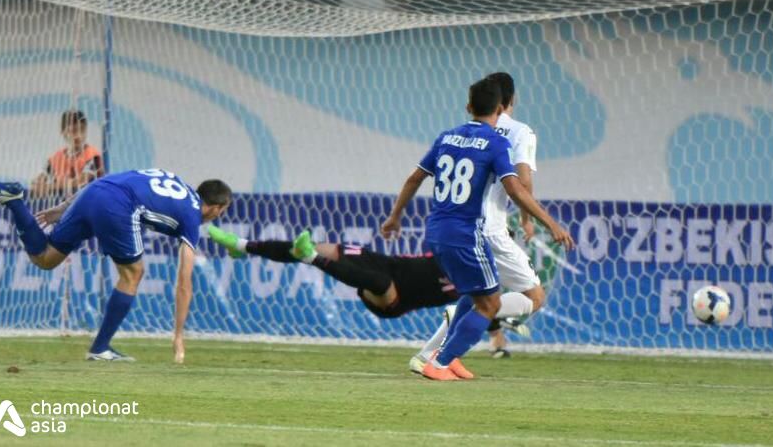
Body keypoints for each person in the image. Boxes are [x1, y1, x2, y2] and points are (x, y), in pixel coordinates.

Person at [381, 78, 574, 381]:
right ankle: (442, 358)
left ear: (468, 106)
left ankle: (441, 351)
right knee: (521, 299)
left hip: (437, 230)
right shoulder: (508, 137)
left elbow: (414, 178)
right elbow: (519, 187)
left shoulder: (447, 137)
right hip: (478, 230)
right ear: (503, 106)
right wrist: (546, 222)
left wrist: (394, 218)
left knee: (481, 295)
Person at [0, 169, 232, 363]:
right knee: (133, 273)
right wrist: (178, 336)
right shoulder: (191, 216)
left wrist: (65, 206)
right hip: (118, 205)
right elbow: (184, 283)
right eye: (223, 211)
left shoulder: (174, 181)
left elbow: (114, 179)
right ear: (218, 208)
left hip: (93, 192)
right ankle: (100, 348)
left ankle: (15, 201)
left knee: (45, 258)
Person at [411, 72, 543, 369]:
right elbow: (522, 181)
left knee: (480, 293)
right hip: (490, 228)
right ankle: (459, 321)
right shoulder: (522, 132)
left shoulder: (465, 132)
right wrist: (528, 219)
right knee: (533, 297)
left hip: (460, 224)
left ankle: (426, 356)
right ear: (510, 101)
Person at [207, 227, 459, 318]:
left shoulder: (472, 283)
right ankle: (240, 245)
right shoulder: (460, 249)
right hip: (386, 263)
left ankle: (312, 259)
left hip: (395, 300)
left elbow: (484, 303)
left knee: (379, 282)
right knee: (319, 247)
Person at [30, 110, 104, 200]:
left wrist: (49, 187)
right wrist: (37, 185)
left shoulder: (93, 156)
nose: (79, 135)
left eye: (82, 130)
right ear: (63, 132)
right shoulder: (55, 159)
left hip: (88, 203)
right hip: (60, 204)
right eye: (74, 131)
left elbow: (80, 182)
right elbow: (38, 180)